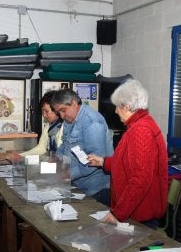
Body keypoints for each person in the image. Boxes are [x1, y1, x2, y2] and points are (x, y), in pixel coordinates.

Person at [87, 79, 168, 229]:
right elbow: (127, 163)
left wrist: (118, 213)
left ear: (127, 106)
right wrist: (103, 162)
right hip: (136, 211)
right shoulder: (140, 124)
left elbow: (141, 178)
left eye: (118, 106)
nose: (116, 111)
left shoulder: (140, 130)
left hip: (140, 214)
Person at [51, 89, 113, 205]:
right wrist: (55, 159)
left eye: (63, 110)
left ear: (74, 103)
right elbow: (65, 144)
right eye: (59, 112)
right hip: (78, 185)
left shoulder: (92, 122)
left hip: (96, 188)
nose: (62, 116)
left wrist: (70, 174)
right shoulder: (70, 120)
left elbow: (96, 160)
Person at [21, 90, 63, 156]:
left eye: (46, 111)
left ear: (56, 109)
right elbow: (41, 148)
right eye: (42, 111)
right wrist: (20, 156)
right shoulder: (49, 125)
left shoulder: (66, 126)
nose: (44, 115)